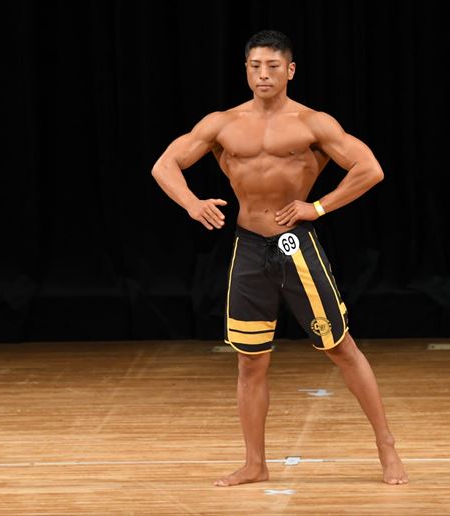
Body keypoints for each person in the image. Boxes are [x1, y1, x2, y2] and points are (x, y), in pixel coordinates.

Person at [151, 30, 408, 486]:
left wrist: (318, 207)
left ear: (290, 70)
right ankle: (255, 463)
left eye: (272, 66)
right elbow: (164, 165)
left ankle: (387, 448)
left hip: (297, 245)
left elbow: (370, 168)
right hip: (249, 248)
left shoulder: (312, 123)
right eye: (255, 66)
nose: (263, 74)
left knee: (340, 348)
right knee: (250, 361)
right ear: (246, 70)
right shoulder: (222, 123)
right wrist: (192, 203)